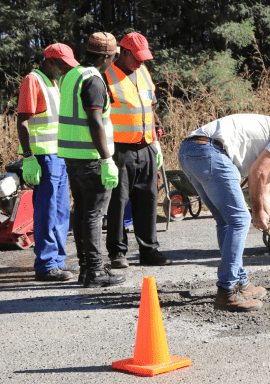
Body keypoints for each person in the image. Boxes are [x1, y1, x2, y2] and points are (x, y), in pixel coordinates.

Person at [177, 113, 270, 312]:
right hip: (210, 152)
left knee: (227, 221)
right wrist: (257, 213)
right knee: (240, 220)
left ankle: (240, 282)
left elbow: (265, 193)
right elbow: (257, 173)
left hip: (190, 151)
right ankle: (227, 291)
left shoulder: (269, 136)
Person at [58, 32, 125, 287]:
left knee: (83, 213)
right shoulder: (95, 81)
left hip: (72, 157)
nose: (113, 62)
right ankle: (95, 271)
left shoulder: (71, 75)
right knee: (94, 215)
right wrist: (107, 159)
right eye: (113, 57)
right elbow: (95, 121)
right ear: (106, 56)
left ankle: (87, 269)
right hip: (92, 158)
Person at [104, 32, 170, 269]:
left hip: (147, 147)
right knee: (118, 203)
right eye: (137, 57)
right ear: (123, 52)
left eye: (144, 57)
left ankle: (149, 251)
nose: (141, 61)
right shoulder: (106, 76)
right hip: (119, 150)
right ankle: (118, 253)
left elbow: (149, 107)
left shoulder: (143, 72)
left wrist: (155, 141)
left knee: (149, 199)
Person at [17, 43, 79, 282]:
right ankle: (45, 265)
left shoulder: (54, 82)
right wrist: (29, 156)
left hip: (59, 155)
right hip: (44, 157)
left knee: (61, 211)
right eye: (63, 65)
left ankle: (57, 261)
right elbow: (23, 121)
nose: (66, 70)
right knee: (47, 211)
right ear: (50, 61)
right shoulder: (32, 80)